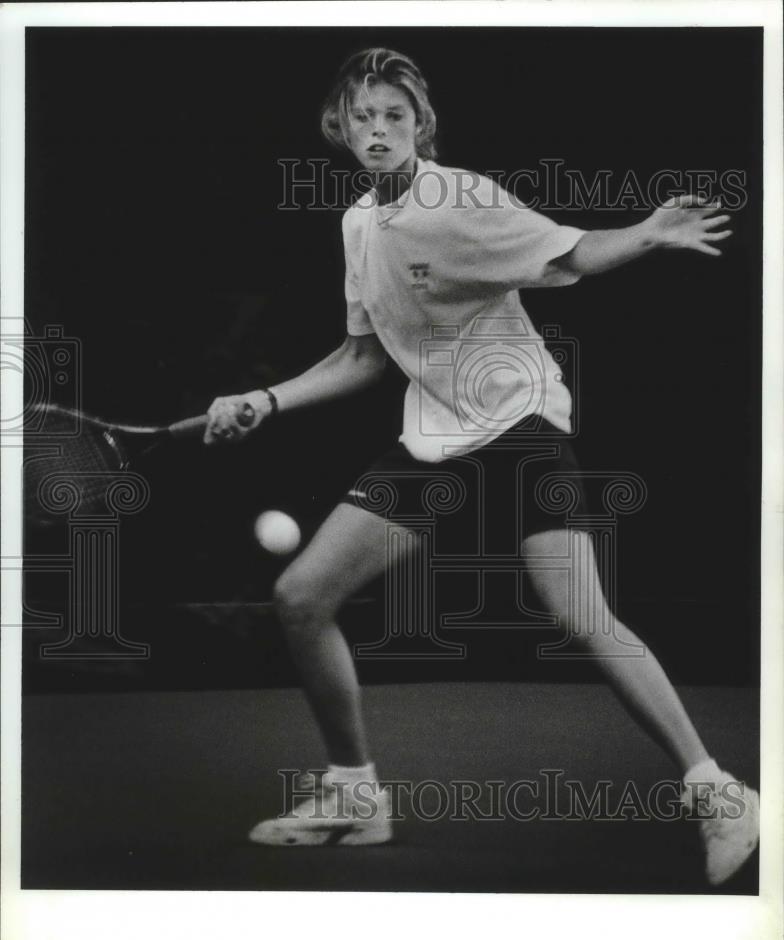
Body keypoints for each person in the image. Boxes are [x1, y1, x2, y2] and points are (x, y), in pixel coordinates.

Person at [205, 48, 759, 884]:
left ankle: (719, 794)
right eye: (364, 116)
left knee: (585, 620)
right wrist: (268, 399)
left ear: (419, 125)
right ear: (340, 129)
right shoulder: (359, 223)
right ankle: (355, 792)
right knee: (302, 596)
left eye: (396, 114)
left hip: (516, 425)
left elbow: (566, 258)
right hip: (434, 436)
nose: (380, 129)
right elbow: (362, 358)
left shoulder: (458, 199)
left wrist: (646, 231)